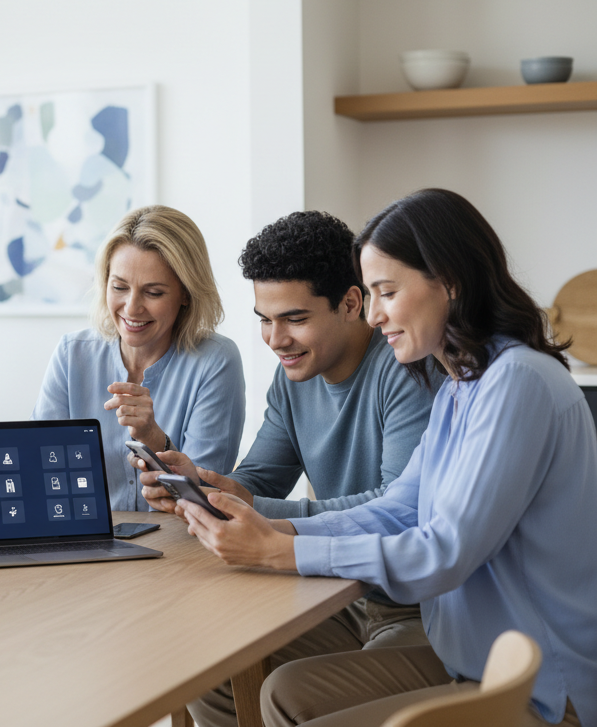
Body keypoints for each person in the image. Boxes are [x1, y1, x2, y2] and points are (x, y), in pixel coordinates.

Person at [169, 189, 596, 727]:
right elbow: (400, 507)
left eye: (386, 292)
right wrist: (276, 533)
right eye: (369, 294)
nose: (372, 315)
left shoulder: (518, 382)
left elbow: (445, 551)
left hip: (539, 689)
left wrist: (281, 554)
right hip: (470, 659)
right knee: (280, 692)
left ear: (450, 282)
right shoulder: (462, 388)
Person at [137, 210, 439, 727]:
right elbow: (259, 478)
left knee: (292, 694)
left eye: (294, 319)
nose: (275, 340)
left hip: (418, 608)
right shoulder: (294, 379)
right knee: (213, 669)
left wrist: (254, 507)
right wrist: (207, 488)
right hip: (340, 597)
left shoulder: (405, 369)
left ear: (351, 302)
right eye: (263, 319)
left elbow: (398, 506)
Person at [33, 205, 244, 512]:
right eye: (119, 287)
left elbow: (208, 496)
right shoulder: (72, 354)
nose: (131, 308)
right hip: (86, 541)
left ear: (186, 293)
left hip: (180, 548)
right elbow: (41, 470)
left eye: (153, 293)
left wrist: (154, 439)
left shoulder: (215, 361)